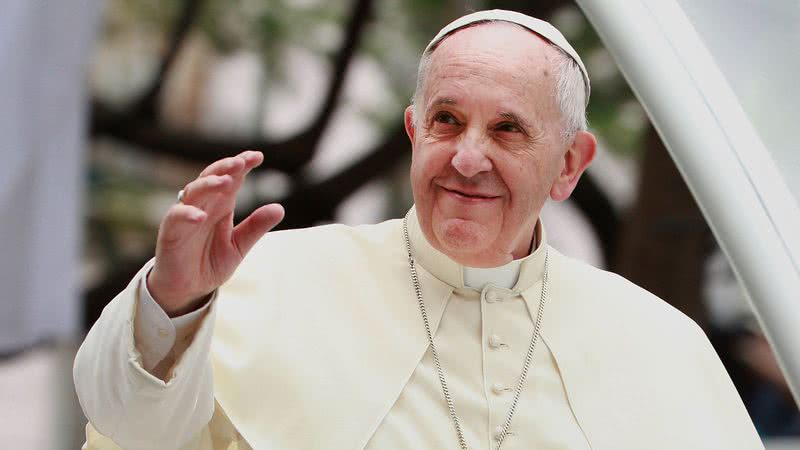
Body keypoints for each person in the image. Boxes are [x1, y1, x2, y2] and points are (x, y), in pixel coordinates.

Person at [74, 10, 764, 450]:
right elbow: (132, 432)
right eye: (446, 121)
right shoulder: (262, 281)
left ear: (569, 164)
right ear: (413, 132)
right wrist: (172, 303)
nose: (467, 158)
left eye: (507, 129)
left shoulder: (660, 341)